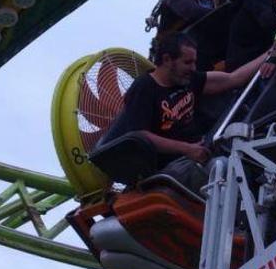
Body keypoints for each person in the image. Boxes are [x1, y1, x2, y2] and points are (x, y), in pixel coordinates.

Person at [101, 32, 264, 192]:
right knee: (224, 167)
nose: (193, 68)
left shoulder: (188, 80)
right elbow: (140, 134)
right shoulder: (144, 88)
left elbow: (233, 79)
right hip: (170, 168)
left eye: (194, 62)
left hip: (199, 152)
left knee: (252, 153)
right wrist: (187, 149)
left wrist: (273, 52)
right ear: (167, 60)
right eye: (187, 62)